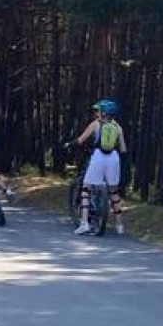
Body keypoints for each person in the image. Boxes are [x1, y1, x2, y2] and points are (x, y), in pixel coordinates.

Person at [71, 99, 127, 234]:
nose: (97, 113)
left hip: (99, 157)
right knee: (113, 191)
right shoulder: (118, 127)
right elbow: (123, 148)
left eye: (99, 110)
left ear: (103, 113)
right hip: (113, 158)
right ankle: (119, 225)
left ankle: (84, 223)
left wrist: (69, 144)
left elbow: (81, 140)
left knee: (86, 188)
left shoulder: (96, 124)